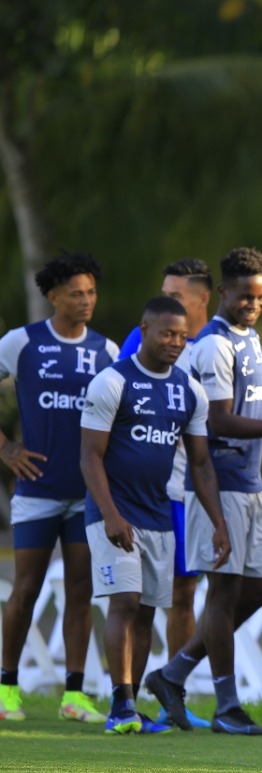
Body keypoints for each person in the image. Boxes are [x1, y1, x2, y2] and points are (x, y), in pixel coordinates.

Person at [145, 247, 262, 735]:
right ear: (223, 293)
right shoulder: (214, 346)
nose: (252, 306)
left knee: (257, 590)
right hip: (215, 485)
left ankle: (172, 674)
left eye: (259, 297)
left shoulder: (251, 337)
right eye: (243, 297)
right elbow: (218, 421)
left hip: (249, 483)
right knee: (222, 593)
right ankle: (226, 705)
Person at [80, 297, 231, 734]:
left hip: (160, 516)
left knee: (146, 610)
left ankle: (130, 707)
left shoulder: (189, 390)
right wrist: (109, 514)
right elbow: (90, 457)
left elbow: (201, 465)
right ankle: (121, 705)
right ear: (143, 330)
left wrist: (219, 523)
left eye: (183, 336)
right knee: (125, 602)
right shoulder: (111, 382)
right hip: (112, 514)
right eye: (167, 333)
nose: (176, 343)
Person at [0, 252, 118, 724]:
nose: (86, 300)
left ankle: (75, 695)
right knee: (26, 587)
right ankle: (6, 689)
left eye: (91, 292)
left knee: (79, 589)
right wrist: (7, 448)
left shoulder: (108, 352)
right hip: (37, 491)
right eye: (76, 293)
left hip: (86, 495)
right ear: (52, 296)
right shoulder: (20, 343)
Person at [117, 258, 215, 728]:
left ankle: (172, 694)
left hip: (192, 489)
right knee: (146, 598)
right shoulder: (145, 340)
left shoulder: (215, 342)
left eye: (177, 296)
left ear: (202, 301)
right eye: (164, 295)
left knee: (185, 594)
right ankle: (128, 698)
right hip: (155, 492)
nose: (168, 307)